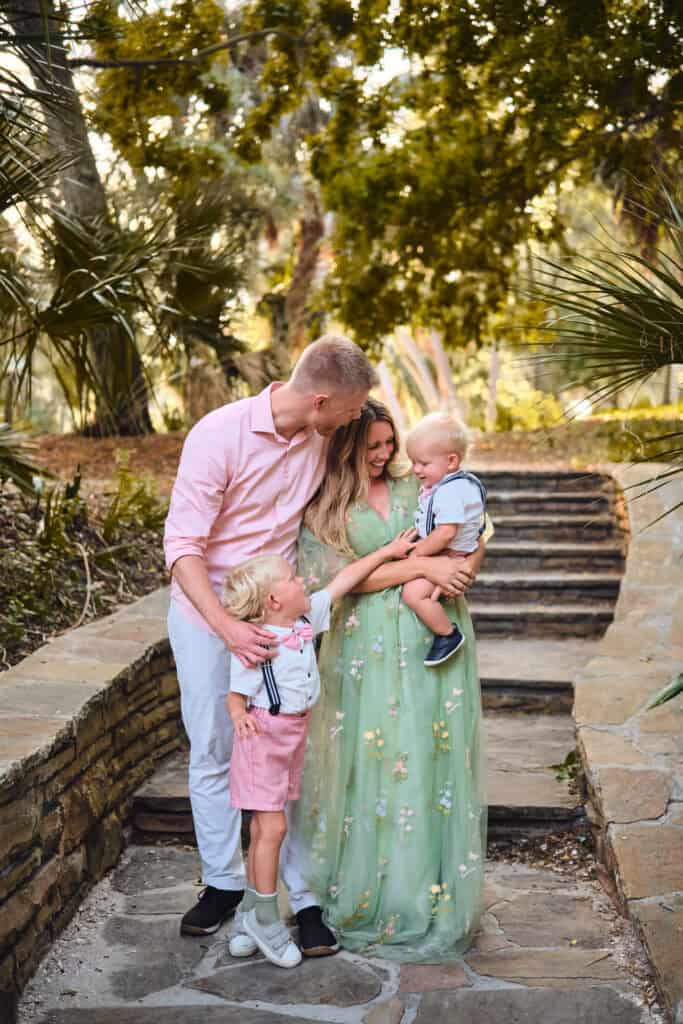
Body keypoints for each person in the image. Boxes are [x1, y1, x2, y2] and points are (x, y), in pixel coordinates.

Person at [163, 336, 473, 948]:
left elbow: (413, 478)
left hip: (287, 615)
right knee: (215, 745)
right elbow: (182, 549)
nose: (358, 420)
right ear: (323, 399)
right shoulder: (217, 435)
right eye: (353, 409)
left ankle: (303, 894)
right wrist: (227, 628)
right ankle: (225, 883)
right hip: (207, 614)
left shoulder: (323, 436)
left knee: (294, 756)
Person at [295, 398, 487, 961]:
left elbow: (472, 534)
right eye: (371, 446)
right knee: (374, 762)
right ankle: (373, 892)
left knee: (427, 760)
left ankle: (425, 894)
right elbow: (342, 583)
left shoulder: (420, 486)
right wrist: (425, 566)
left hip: (430, 637)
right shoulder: (326, 508)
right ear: (347, 447)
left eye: (388, 443)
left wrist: (460, 568)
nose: (383, 455)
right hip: (364, 650)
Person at [222, 531, 416, 968]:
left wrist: (384, 551)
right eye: (292, 580)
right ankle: (269, 921)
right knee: (271, 830)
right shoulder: (258, 643)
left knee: (261, 831)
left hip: (292, 738)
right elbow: (236, 695)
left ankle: (250, 914)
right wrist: (239, 717)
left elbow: (344, 580)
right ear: (273, 600)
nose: (301, 583)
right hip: (263, 741)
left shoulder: (305, 624)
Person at [402, 412, 487, 667]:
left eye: (423, 463)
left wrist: (417, 554)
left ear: (451, 461)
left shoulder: (450, 491)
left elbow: (447, 532)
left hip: (450, 555)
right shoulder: (455, 484)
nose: (416, 470)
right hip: (452, 553)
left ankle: (447, 635)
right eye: (413, 462)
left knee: (414, 594)